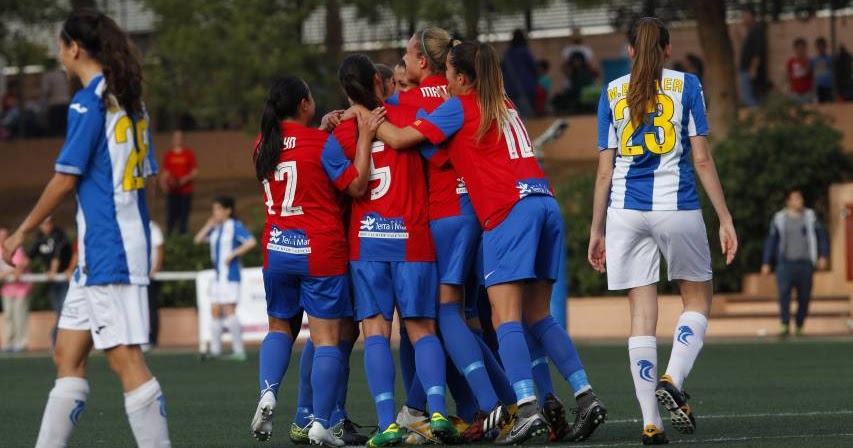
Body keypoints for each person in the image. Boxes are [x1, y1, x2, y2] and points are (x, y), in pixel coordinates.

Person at [366, 40, 607, 445]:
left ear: (461, 79)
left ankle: (526, 408)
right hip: (545, 204)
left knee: (504, 317)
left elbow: (403, 138)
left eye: (450, 77)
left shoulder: (460, 107)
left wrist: (367, 119)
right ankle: (585, 396)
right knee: (539, 316)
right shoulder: (505, 102)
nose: (445, 82)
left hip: (508, 211)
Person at [1, 9, 171, 446]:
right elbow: (146, 183)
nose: (59, 55)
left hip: (109, 249)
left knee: (125, 360)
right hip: (106, 249)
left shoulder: (88, 101)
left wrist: (19, 233)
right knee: (67, 354)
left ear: (74, 49)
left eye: (60, 47)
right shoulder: (131, 102)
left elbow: (65, 179)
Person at [591, 17, 738, 445]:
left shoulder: (612, 92)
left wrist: (596, 229)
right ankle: (673, 377)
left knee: (641, 315)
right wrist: (725, 218)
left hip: (624, 212)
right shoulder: (687, 85)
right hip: (677, 207)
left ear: (630, 51)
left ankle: (651, 423)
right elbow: (703, 160)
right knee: (698, 297)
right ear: (668, 49)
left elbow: (604, 170)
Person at [389, 27, 519, 444]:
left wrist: (354, 114)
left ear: (423, 62)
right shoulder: (469, 98)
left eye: (407, 55)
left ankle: (469, 405)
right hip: (479, 212)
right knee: (466, 321)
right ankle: (506, 402)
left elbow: (394, 137)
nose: (402, 62)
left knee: (429, 321)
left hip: (440, 217)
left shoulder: (402, 103)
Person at [334, 54, 461, 447]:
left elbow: (339, 185)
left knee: (374, 333)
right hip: (413, 240)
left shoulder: (339, 132)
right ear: (379, 80)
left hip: (366, 245)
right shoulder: (410, 113)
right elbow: (442, 160)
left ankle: (387, 422)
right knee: (422, 330)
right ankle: (436, 413)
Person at [248, 75, 375, 446]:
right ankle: (321, 422)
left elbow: (294, 158)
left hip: (277, 250)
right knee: (326, 340)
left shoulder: (261, 144)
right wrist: (364, 137)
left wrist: (317, 133)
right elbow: (356, 186)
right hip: (319, 251)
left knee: (278, 329)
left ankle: (268, 393)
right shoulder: (323, 144)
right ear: (305, 103)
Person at [193, 196, 256, 361]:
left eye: (219, 209)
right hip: (217, 277)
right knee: (214, 310)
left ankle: (238, 349)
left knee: (229, 310)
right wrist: (208, 224)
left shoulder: (235, 226)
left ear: (228, 210)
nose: (216, 213)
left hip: (230, 275)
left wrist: (233, 254)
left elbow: (251, 242)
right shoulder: (216, 228)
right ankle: (215, 349)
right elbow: (198, 240)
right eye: (214, 209)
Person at [761, 189, 829, 337]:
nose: (800, 201)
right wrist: (766, 262)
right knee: (783, 294)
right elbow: (771, 241)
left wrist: (823, 255)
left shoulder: (810, 217)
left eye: (801, 198)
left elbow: (821, 236)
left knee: (804, 296)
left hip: (805, 264)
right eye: (796, 198)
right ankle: (785, 323)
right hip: (785, 264)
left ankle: (799, 324)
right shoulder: (779, 218)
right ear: (788, 201)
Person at [27, 215, 73, 347]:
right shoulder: (39, 239)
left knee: (65, 312)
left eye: (48, 223)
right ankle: (58, 341)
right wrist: (17, 269)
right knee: (59, 311)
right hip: (53, 282)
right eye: (43, 223)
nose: (46, 226)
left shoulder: (59, 235)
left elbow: (57, 256)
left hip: (64, 280)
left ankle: (59, 340)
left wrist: (53, 271)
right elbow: (29, 256)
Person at [1, 227, 33, 353]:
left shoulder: (16, 249)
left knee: (19, 316)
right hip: (7, 289)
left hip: (21, 289)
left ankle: (21, 343)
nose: (2, 238)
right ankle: (8, 344)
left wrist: (5, 273)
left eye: (4, 235)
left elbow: (19, 267)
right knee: (9, 316)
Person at [160, 130, 197, 235]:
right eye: (175, 138)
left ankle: (183, 235)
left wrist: (185, 179)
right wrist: (163, 183)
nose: (177, 140)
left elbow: (194, 171)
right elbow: (166, 172)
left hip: (185, 191)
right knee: (171, 214)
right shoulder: (169, 155)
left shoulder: (188, 154)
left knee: (184, 215)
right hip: (173, 191)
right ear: (172, 140)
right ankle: (170, 235)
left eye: (180, 138)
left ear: (183, 140)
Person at [501, 29, 538, 117]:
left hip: (509, 88)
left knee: (513, 114)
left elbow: (503, 67)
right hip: (525, 87)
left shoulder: (508, 53)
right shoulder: (525, 51)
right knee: (526, 114)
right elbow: (533, 67)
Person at [738, 5, 767, 106]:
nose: (743, 18)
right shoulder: (751, 32)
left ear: (751, 16)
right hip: (746, 70)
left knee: (749, 99)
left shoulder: (757, 31)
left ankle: (758, 119)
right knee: (748, 98)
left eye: (745, 15)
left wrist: (753, 69)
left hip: (748, 71)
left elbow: (757, 53)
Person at [146, 221, 164, 349]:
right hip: (133, 276)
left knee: (151, 307)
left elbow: (160, 247)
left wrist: (156, 267)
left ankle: (152, 339)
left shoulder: (153, 227)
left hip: (149, 275)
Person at [40, 58, 71, 137]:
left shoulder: (47, 75)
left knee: (55, 131)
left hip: (55, 105)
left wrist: (43, 107)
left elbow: (45, 91)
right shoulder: (63, 74)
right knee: (65, 131)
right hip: (66, 103)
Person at [786, 38, 813, 104]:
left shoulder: (808, 61)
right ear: (795, 49)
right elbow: (789, 76)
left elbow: (808, 71)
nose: (800, 50)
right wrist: (790, 89)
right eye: (799, 48)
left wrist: (802, 60)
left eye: (802, 48)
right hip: (795, 92)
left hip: (807, 92)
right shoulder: (791, 62)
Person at [812, 37, 834, 103]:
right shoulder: (814, 60)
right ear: (816, 48)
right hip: (819, 87)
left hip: (830, 86)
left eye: (822, 47)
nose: (821, 49)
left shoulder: (830, 58)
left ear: (825, 47)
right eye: (819, 47)